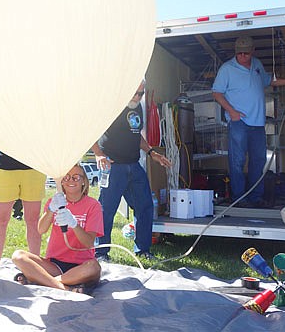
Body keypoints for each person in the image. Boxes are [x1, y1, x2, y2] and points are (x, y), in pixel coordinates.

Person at [212, 36, 285, 207]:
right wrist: (232, 112)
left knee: (259, 160)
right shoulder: (227, 69)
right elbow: (217, 93)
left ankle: (255, 198)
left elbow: (271, 81)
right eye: (239, 53)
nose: (242, 56)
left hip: (257, 124)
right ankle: (239, 199)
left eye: (246, 53)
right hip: (239, 122)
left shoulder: (257, 65)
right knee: (238, 161)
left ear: (252, 51)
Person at [93, 80, 172, 263]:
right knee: (106, 210)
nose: (137, 97)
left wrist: (152, 152)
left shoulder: (137, 108)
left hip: (133, 165)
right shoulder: (109, 106)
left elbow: (136, 136)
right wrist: (98, 155)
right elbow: (89, 132)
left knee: (145, 206)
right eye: (134, 93)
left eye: (141, 94)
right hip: (112, 166)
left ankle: (143, 250)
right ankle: (101, 253)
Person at [12, 163, 102, 293]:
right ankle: (64, 287)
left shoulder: (93, 205)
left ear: (84, 181)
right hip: (55, 264)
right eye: (66, 177)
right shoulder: (55, 202)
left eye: (76, 177)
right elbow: (41, 229)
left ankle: (40, 280)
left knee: (94, 267)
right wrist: (50, 210)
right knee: (18, 256)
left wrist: (74, 224)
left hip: (81, 266)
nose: (70, 180)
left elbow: (88, 243)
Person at [0, 151, 45, 268]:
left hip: (34, 166)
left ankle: (35, 264)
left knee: (33, 219)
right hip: (4, 166)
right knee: (0, 220)